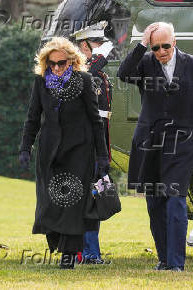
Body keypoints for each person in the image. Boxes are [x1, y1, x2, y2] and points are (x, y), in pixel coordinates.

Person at [117, 22, 193, 271]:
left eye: (165, 46)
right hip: (149, 143)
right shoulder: (144, 63)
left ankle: (176, 263)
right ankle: (164, 258)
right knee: (155, 203)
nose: (161, 51)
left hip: (182, 144)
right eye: (155, 47)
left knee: (175, 199)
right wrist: (141, 45)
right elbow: (123, 73)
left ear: (174, 43)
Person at [18, 37, 109, 269]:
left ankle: (69, 256)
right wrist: (25, 148)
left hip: (79, 151)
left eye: (62, 63)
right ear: (46, 63)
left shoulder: (85, 81)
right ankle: (59, 242)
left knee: (72, 205)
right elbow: (32, 117)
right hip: (49, 151)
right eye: (52, 64)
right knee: (48, 204)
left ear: (72, 62)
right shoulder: (41, 83)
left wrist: (102, 155)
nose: (57, 68)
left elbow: (95, 121)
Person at [71, 21, 114, 265]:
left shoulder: (99, 72)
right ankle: (83, 253)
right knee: (85, 199)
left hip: (98, 146)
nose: (100, 49)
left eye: (99, 44)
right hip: (83, 146)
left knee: (95, 198)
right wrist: (99, 60)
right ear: (83, 46)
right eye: (95, 44)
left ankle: (91, 252)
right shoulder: (80, 72)